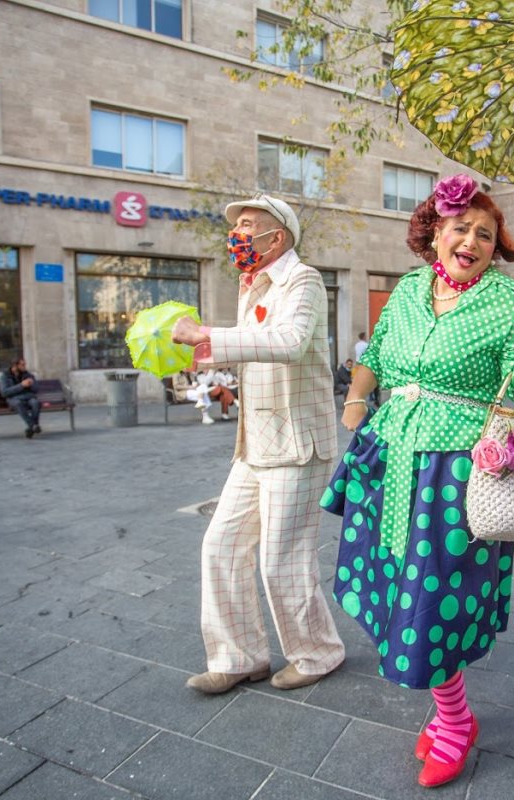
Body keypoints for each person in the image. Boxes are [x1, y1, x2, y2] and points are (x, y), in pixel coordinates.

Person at [325, 174, 514, 789]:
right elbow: (374, 354)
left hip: (454, 471)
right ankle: (449, 711)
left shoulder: (511, 301)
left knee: (434, 598)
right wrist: (354, 402)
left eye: (486, 234)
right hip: (391, 454)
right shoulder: (407, 289)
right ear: (434, 233)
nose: (474, 240)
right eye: (462, 228)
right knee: (399, 588)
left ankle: (454, 721)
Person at [171, 193, 345, 695]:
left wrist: (205, 334)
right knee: (220, 546)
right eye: (237, 226)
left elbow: (288, 342)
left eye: (249, 224)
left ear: (279, 236)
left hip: (296, 442)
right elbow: (251, 350)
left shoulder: (304, 280)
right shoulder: (250, 285)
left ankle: (317, 653)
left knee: (281, 559)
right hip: (255, 443)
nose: (239, 234)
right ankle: (238, 656)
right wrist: (201, 355)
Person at [0, 357, 42, 438]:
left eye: (25, 364)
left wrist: (31, 384)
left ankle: (31, 428)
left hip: (28, 398)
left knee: (35, 403)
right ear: (15, 366)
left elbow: (36, 390)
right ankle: (34, 425)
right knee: (18, 403)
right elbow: (4, 393)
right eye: (22, 365)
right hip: (14, 399)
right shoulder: (5, 377)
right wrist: (21, 385)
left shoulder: (28, 375)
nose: (25, 366)